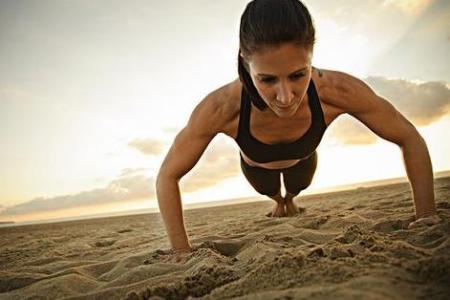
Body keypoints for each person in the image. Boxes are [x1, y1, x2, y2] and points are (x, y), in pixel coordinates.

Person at [156, 0, 440, 254]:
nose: (286, 96)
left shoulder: (337, 90)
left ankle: (289, 200)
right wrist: (181, 250)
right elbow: (168, 175)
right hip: (257, 168)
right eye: (267, 80)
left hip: (303, 159)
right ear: (245, 60)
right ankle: (278, 201)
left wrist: (426, 214)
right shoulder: (221, 107)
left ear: (311, 56)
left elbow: (409, 137)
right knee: (271, 192)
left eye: (298, 75)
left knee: (296, 188)